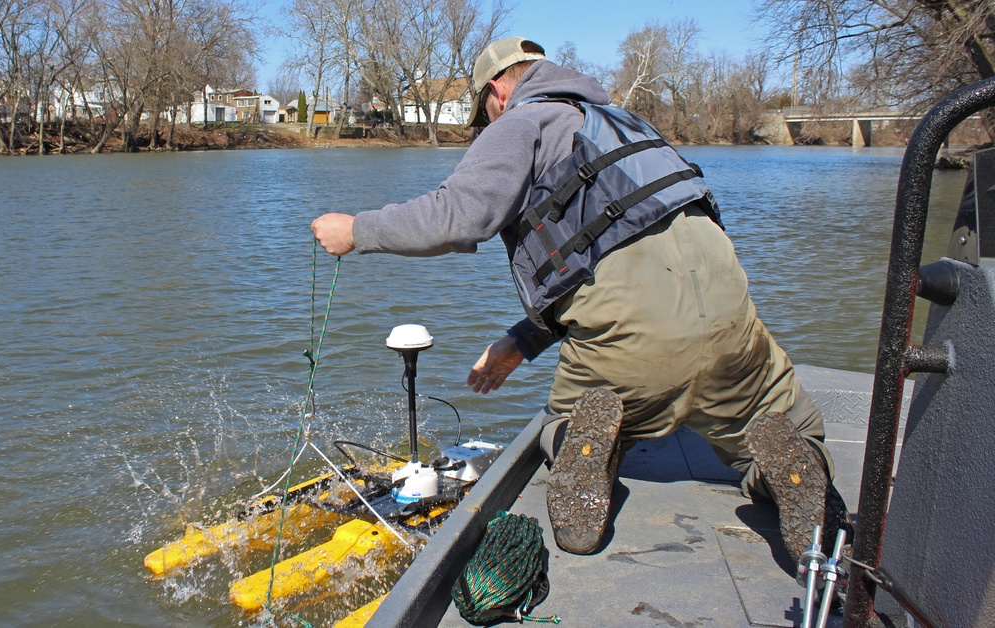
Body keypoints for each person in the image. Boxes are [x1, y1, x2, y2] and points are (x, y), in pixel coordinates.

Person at [311, 37, 850, 562]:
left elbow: (457, 216)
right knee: (777, 423)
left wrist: (358, 229)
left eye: (484, 114)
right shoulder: (629, 124)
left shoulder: (523, 121)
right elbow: (616, 247)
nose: (487, 126)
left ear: (498, 90)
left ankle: (583, 446)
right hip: (737, 326)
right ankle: (791, 465)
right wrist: (524, 338)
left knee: (567, 420)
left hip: (632, 346)